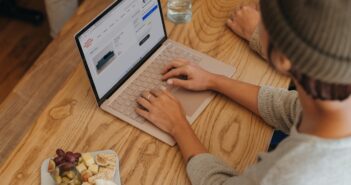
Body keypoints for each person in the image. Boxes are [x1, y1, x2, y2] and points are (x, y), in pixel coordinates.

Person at [135, 0, 351, 184]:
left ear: (284, 58)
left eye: (263, 16)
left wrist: (178, 125)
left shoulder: (288, 175)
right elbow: (292, 107)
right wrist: (213, 80)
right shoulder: (333, 97)